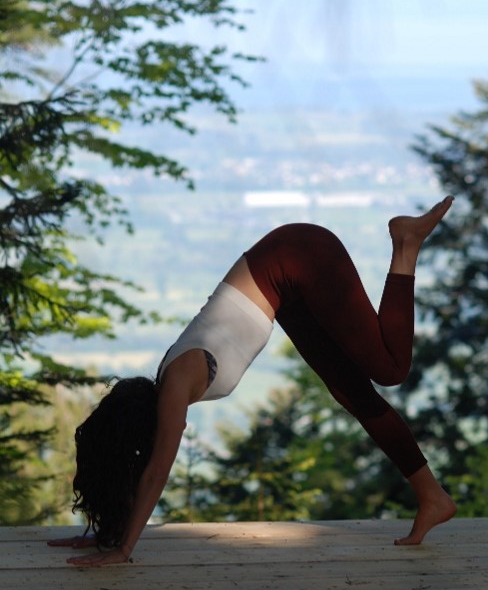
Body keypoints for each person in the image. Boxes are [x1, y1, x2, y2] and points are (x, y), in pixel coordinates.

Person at [48, 197, 457, 566]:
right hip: (284, 280)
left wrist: (122, 551)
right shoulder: (171, 383)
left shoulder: (176, 383)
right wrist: (103, 533)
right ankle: (432, 496)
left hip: (299, 254)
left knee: (390, 370)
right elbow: (145, 469)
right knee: (351, 391)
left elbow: (156, 472)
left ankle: (406, 243)